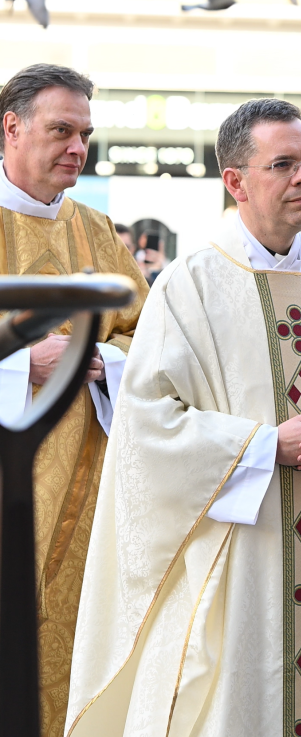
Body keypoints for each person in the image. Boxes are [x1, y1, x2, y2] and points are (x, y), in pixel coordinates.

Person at [66, 99, 301, 736]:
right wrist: (262, 446)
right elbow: (147, 424)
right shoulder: (190, 286)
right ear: (236, 182)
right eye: (282, 164)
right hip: (242, 555)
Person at [0, 63, 148, 737]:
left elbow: (153, 341)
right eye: (62, 130)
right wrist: (20, 360)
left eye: (85, 134)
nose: (77, 148)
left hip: (89, 496)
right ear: (11, 128)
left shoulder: (98, 233)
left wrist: (105, 361)